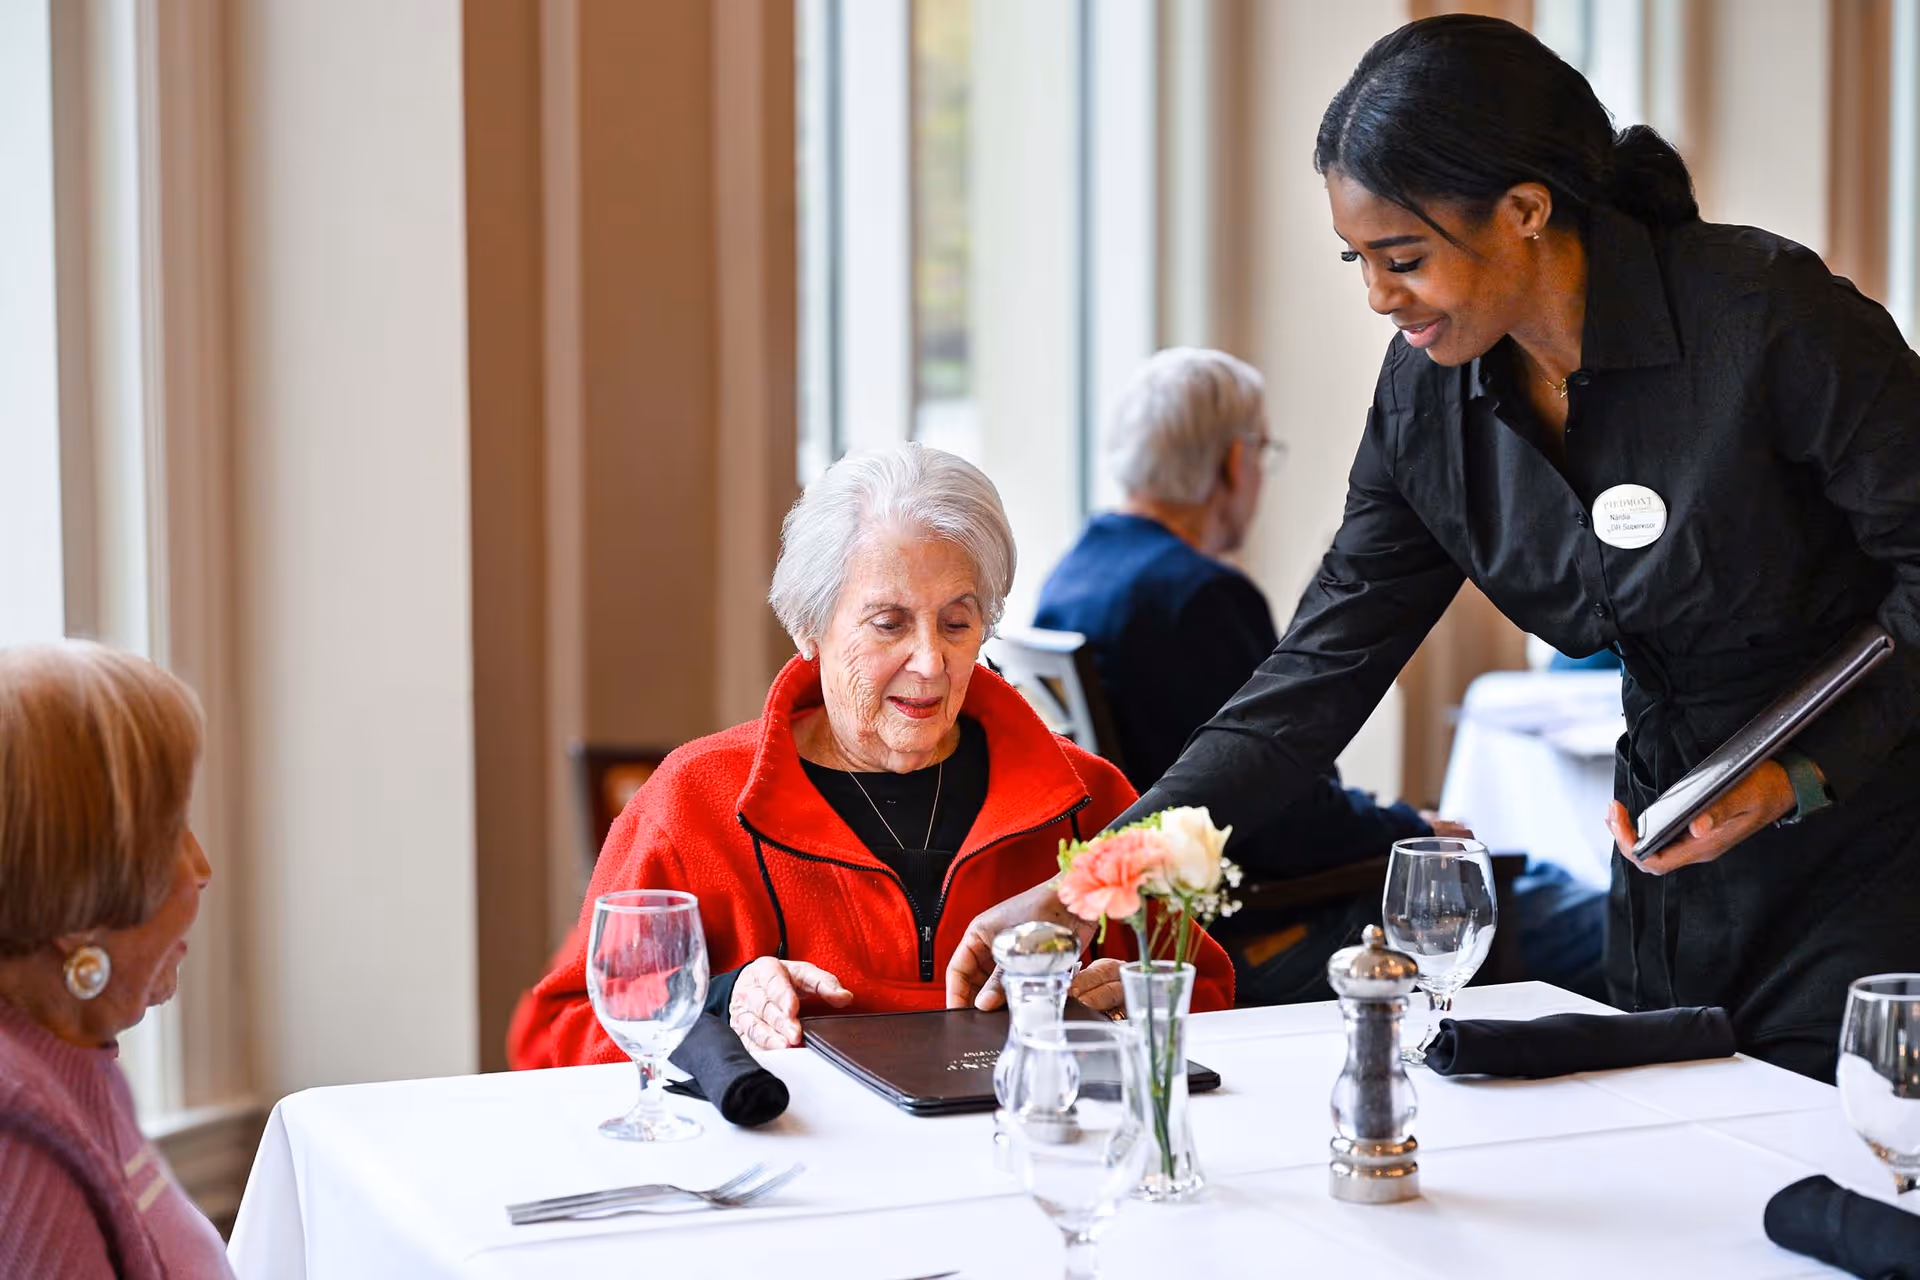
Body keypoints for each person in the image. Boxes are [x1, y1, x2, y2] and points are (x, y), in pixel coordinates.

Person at [950, 15, 1920, 1081]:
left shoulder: (1768, 320)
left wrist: (1797, 776)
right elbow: (1310, 678)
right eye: (1358, 259)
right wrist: (1090, 879)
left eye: (1402, 257)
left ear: (1525, 212)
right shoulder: (1430, 397)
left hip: (1868, 847)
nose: (1376, 296)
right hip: (1670, 859)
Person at [509, 444, 1233, 1067]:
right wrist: (722, 1003)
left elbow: (1209, 993)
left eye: (958, 622)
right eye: (889, 623)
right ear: (809, 626)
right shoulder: (694, 803)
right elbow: (557, 1034)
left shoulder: (1087, 798)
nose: (930, 662)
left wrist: (1140, 1000)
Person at [1035, 346, 1603, 1004]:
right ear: (1236, 461)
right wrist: (1406, 827)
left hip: (1174, 918)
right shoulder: (1196, 595)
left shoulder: (1076, 572)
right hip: (1263, 930)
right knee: (1591, 920)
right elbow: (1277, 808)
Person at [0, 642, 231, 1279]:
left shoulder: (75, 1054)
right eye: (172, 835)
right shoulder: (16, 1140)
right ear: (76, 905)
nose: (202, 870)